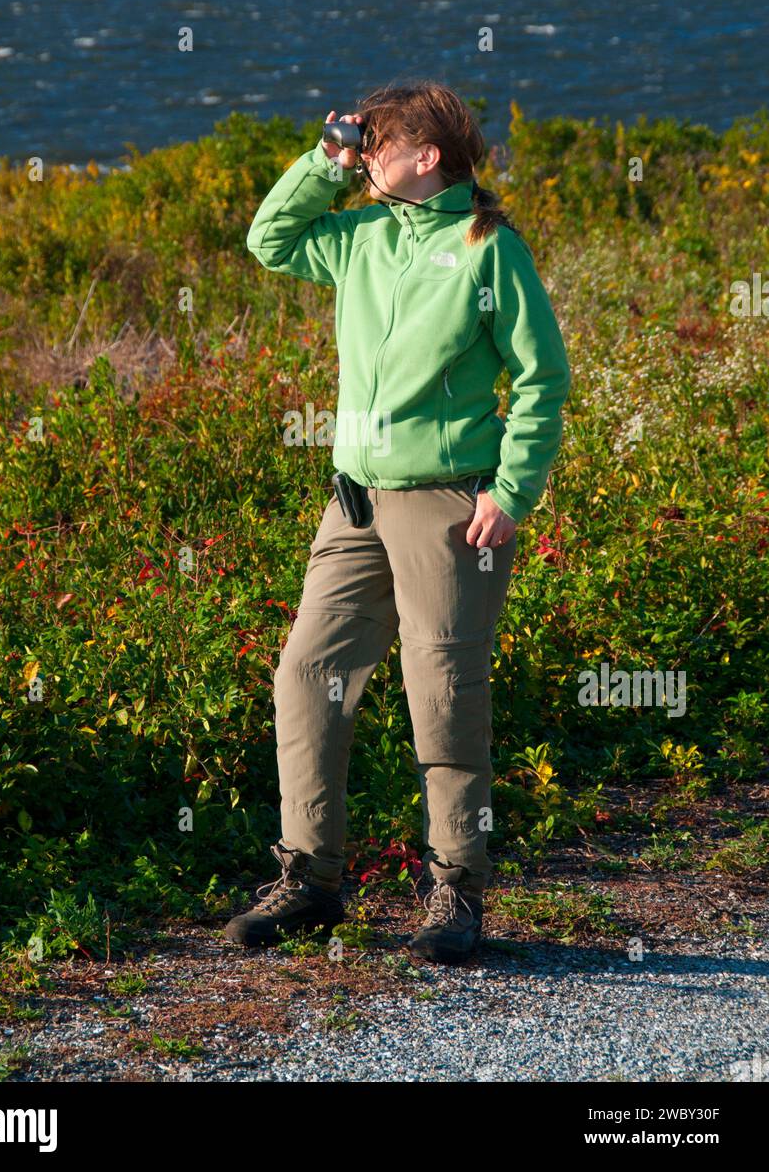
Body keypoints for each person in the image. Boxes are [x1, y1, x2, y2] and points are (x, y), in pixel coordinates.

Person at [225, 80, 571, 963]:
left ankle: (455, 889)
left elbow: (541, 381)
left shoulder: (489, 249)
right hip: (352, 503)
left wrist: (511, 493)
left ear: (427, 156)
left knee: (442, 695)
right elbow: (269, 240)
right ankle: (310, 881)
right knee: (306, 675)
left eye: (375, 141)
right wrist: (325, 162)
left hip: (452, 507)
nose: (364, 151)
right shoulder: (359, 238)